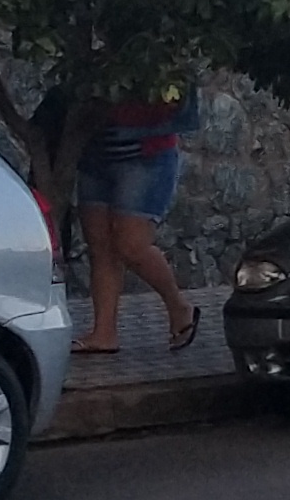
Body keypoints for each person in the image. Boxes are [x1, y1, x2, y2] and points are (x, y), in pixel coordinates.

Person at [71, 82, 198, 355]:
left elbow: (174, 98)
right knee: (100, 248)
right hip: (94, 151)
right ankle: (104, 332)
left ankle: (178, 306)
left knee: (132, 246)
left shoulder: (154, 53)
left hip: (144, 155)